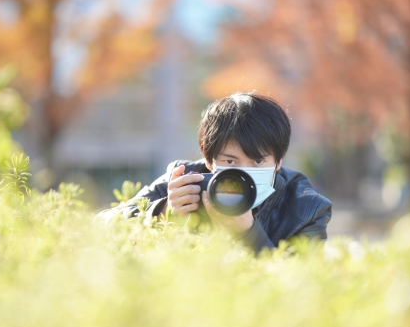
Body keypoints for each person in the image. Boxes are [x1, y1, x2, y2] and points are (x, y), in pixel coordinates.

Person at [99, 92, 332, 252]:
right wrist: (161, 210)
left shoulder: (307, 208)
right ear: (209, 161)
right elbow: (100, 227)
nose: (244, 174)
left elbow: (299, 287)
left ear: (278, 161)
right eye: (231, 161)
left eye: (258, 161)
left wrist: (248, 234)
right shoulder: (187, 179)